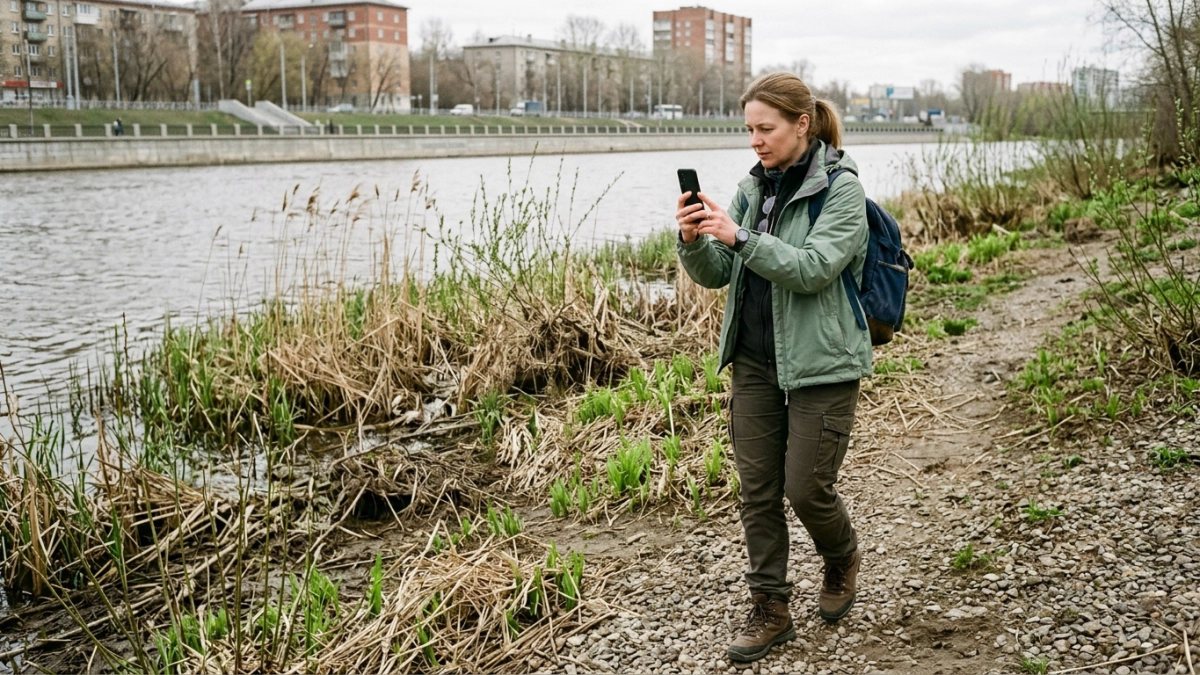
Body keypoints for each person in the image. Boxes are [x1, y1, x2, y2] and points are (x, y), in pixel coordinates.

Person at [674, 72, 871, 664]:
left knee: (805, 487)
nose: (755, 141)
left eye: (766, 128)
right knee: (758, 493)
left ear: (801, 124)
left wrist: (740, 239)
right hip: (755, 362)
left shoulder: (841, 190)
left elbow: (813, 269)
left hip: (823, 363)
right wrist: (694, 239)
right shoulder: (751, 188)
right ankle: (770, 607)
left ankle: (841, 558)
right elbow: (717, 273)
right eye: (748, 130)